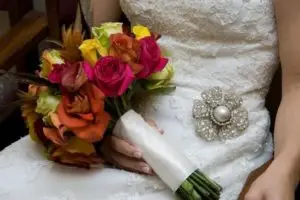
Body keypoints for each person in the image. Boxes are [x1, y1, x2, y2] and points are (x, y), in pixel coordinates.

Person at [0, 0, 299, 199]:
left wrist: (286, 167)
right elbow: (86, 55)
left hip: (222, 142)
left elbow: (297, 86)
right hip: (128, 127)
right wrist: (98, 131)